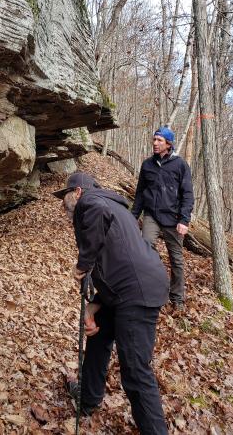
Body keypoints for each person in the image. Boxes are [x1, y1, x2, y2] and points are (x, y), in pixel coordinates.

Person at [54, 172, 169, 435]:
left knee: (136, 373)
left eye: (66, 195)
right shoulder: (114, 209)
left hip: (136, 292)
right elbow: (110, 264)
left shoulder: (92, 203)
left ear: (79, 192)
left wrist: (82, 264)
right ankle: (88, 398)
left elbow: (93, 247)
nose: (64, 202)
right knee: (99, 335)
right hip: (127, 287)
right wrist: (94, 305)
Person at [132, 126, 194, 311]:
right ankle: (150, 287)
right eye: (154, 140)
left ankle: (177, 298)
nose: (155, 143)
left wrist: (184, 220)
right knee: (145, 248)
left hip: (173, 219)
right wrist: (133, 216)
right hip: (151, 215)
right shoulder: (147, 165)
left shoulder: (180, 165)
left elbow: (188, 194)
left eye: (159, 140)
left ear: (168, 143)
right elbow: (140, 193)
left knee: (176, 260)